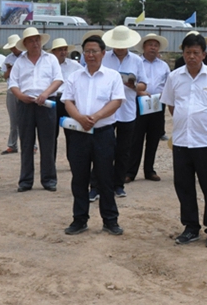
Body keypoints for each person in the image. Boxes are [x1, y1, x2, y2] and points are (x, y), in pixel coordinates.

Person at [161, 33, 207, 247]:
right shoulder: (174, 77)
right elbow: (172, 105)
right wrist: (186, 120)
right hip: (182, 141)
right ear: (183, 53)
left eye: (195, 53)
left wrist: (204, 122)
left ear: (203, 55)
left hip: (206, 141)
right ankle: (191, 227)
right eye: (188, 52)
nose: (191, 56)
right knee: (184, 187)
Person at [61, 36, 125, 236]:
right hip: (79, 133)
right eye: (87, 51)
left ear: (103, 53)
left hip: (103, 133)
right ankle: (79, 219)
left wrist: (96, 117)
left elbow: (116, 101)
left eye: (94, 51)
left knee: (105, 177)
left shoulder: (112, 76)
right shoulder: (74, 77)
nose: (90, 55)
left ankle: (110, 220)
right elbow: (68, 101)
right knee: (79, 178)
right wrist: (80, 118)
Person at [9, 27, 63, 193]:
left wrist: (45, 94)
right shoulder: (20, 62)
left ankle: (49, 179)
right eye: (31, 41)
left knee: (48, 143)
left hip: (46, 103)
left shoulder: (50, 59)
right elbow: (13, 84)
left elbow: (58, 79)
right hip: (25, 104)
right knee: (26, 143)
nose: (35, 43)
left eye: (37, 40)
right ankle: (26, 180)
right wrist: (20, 96)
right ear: (25, 44)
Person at [101, 25, 147, 198]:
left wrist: (133, 85)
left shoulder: (136, 60)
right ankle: (98, 183)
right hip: (106, 109)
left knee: (123, 150)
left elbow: (144, 84)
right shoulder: (104, 57)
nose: (120, 48)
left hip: (127, 110)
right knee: (103, 149)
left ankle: (118, 184)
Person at [127, 33, 170, 182]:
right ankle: (130, 171)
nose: (153, 47)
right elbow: (130, 83)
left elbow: (168, 84)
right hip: (139, 102)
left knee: (154, 138)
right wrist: (139, 92)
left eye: (156, 45)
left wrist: (164, 95)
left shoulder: (163, 65)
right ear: (144, 47)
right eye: (150, 44)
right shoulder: (137, 63)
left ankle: (149, 170)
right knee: (136, 138)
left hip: (158, 103)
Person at [50, 37, 83, 163]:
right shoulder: (48, 65)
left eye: (65, 49)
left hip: (68, 100)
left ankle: (73, 161)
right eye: (60, 50)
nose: (63, 52)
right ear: (53, 51)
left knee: (71, 133)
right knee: (51, 134)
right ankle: (50, 163)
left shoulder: (75, 66)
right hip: (53, 99)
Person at [1, 34, 22, 153]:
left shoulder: (27, 57)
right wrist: (9, 69)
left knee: (28, 119)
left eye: (15, 47)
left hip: (24, 89)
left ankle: (32, 144)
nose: (14, 49)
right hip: (12, 90)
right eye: (12, 48)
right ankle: (12, 145)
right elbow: (4, 76)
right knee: (13, 119)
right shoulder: (8, 59)